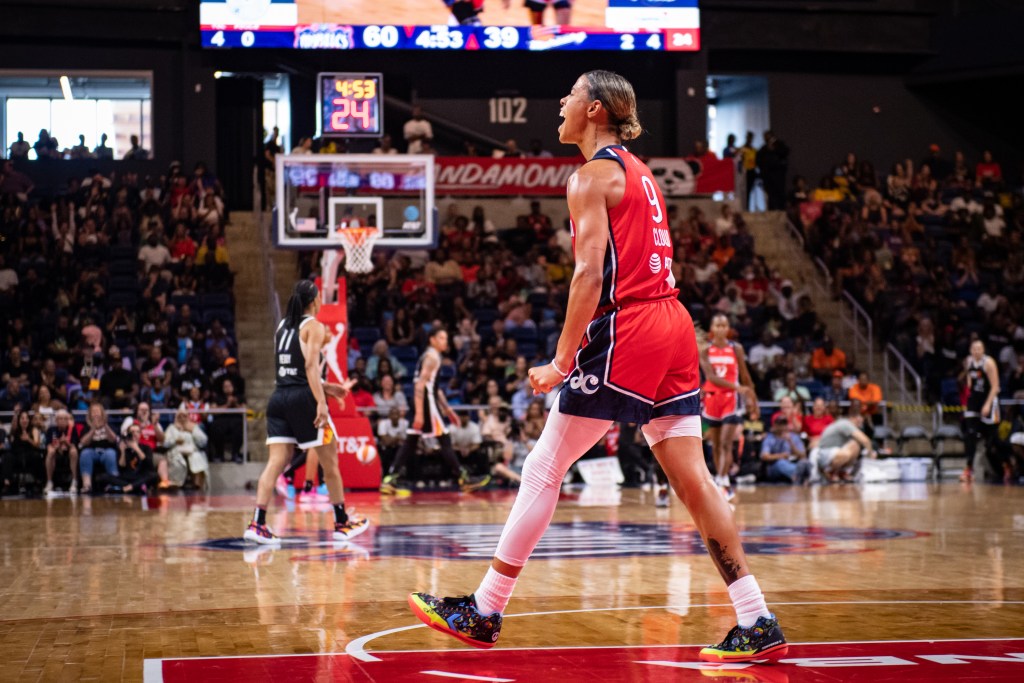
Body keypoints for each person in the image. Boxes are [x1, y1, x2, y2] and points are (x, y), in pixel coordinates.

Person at [407, 71, 787, 662]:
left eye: (569, 95)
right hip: (673, 323)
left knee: (542, 466)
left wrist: (561, 361)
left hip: (631, 325)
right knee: (694, 481)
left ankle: (484, 609)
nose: (560, 102)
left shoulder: (590, 177)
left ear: (595, 109)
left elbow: (587, 274)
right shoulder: (640, 173)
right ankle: (756, 617)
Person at [245, 281, 368, 544]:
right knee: (330, 463)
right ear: (314, 300)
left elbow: (292, 373)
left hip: (278, 398)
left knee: (276, 462)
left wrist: (328, 388)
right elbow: (310, 367)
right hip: (304, 401)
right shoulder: (313, 325)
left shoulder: (281, 326)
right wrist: (321, 401)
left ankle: (257, 523)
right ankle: (341, 523)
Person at [379, 326, 490, 494]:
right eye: (441, 338)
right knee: (444, 439)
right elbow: (419, 385)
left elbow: (435, 387)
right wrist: (419, 413)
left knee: (411, 440)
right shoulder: (432, 357)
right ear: (432, 339)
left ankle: (390, 479)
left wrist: (448, 409)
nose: (445, 341)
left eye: (446, 338)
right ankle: (463, 478)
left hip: (425, 401)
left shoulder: (431, 356)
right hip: (425, 402)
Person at [701, 314, 758, 499]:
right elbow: (710, 377)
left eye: (724, 325)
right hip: (712, 399)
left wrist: (753, 398)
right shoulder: (705, 350)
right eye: (717, 325)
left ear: (728, 329)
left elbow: (745, 375)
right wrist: (737, 386)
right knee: (716, 445)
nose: (720, 329)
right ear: (712, 328)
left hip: (731, 400)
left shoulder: (736, 348)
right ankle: (723, 481)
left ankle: (721, 479)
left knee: (727, 443)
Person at [959, 340, 1000, 483]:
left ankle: (1005, 466)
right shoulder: (969, 362)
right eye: (974, 348)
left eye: (979, 348)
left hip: (988, 400)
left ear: (983, 350)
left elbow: (996, 387)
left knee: (993, 440)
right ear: (970, 350)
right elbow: (970, 383)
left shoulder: (989, 363)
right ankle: (968, 468)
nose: (976, 351)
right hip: (974, 401)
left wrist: (987, 405)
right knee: (969, 434)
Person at [811, 411, 875, 483]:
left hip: (832, 452)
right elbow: (865, 440)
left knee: (855, 446)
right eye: (859, 419)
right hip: (824, 454)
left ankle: (841, 472)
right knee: (849, 450)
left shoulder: (844, 423)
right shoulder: (846, 424)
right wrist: (871, 455)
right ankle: (829, 472)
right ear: (853, 418)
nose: (861, 422)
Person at [78, 402, 120, 494]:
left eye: (98, 411)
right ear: (90, 414)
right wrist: (93, 429)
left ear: (102, 413)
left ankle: (114, 484)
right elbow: (82, 443)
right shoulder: (86, 427)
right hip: (92, 452)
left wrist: (105, 426)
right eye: (93, 411)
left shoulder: (109, 425)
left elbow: (114, 440)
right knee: (85, 453)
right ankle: (87, 485)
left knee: (110, 453)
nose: (96, 413)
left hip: (106, 451)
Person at [760, 415, 810, 484]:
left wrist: (790, 442)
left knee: (804, 462)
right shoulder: (769, 438)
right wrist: (781, 456)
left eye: (784, 424)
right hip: (774, 467)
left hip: (793, 463)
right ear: (775, 426)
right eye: (779, 425)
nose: (782, 427)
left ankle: (797, 475)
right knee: (781, 463)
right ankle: (799, 475)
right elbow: (764, 456)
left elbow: (803, 455)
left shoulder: (794, 437)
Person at [43, 410, 80, 495]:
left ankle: (74, 481)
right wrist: (60, 442)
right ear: (56, 420)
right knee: (50, 452)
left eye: (65, 419)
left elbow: (74, 446)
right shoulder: (52, 430)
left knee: (74, 452)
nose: (63, 421)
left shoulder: (72, 430)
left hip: (68, 452)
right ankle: (49, 482)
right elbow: (50, 446)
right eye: (60, 419)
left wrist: (66, 443)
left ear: (68, 420)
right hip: (55, 452)